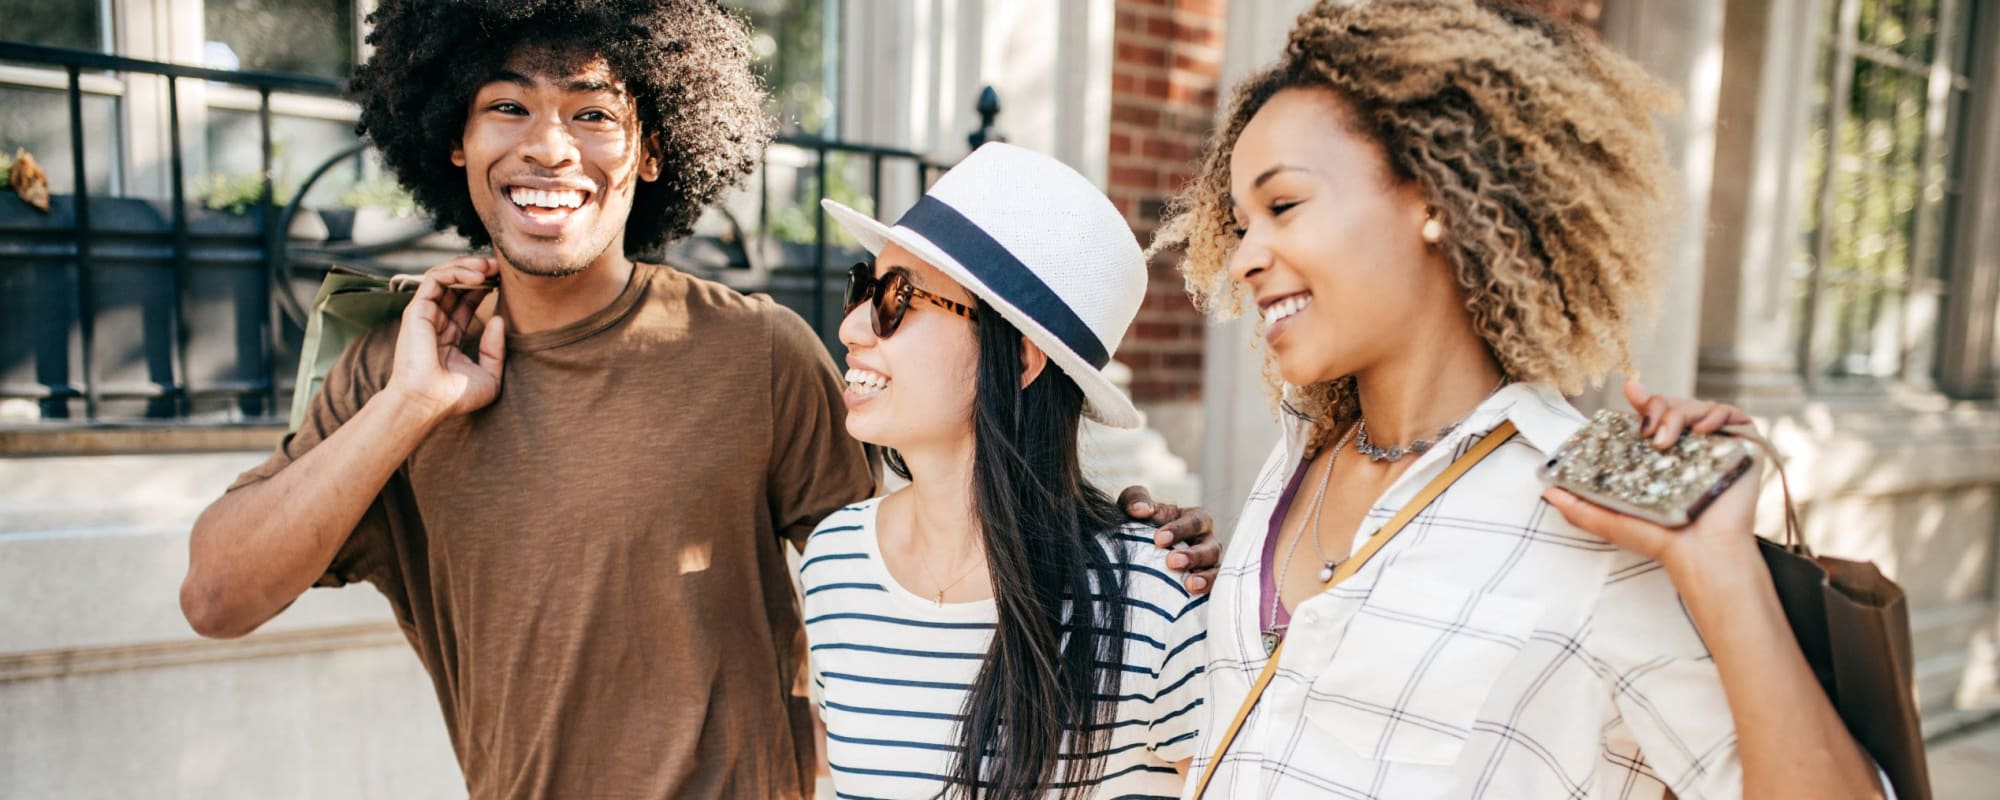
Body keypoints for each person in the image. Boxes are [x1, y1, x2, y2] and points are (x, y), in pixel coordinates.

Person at [175, 2, 1217, 797]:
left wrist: (1114, 541)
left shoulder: (756, 350)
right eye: (507, 106)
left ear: (657, 144)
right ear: (454, 136)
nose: (548, 146)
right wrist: (406, 404)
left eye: (592, 111)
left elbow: (927, 563)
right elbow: (216, 597)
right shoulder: (397, 361)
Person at [1148, 1, 1888, 797]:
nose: (1245, 258)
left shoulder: (1593, 517)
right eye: (1241, 223)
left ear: (1433, 197)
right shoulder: (1297, 460)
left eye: (1283, 206)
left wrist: (1721, 567)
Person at [801, 143, 1207, 800]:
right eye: (865, 287)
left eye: (899, 296)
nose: (851, 326)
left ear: (1020, 358)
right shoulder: (835, 561)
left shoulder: (1155, 598)